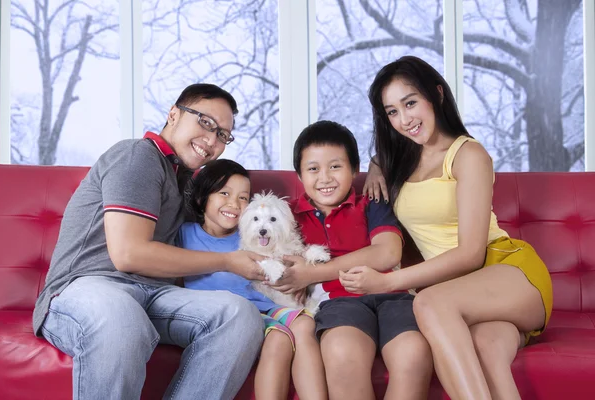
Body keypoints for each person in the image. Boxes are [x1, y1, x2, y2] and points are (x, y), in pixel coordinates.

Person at [33, 84, 266, 400]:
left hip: (154, 294)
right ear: (173, 114)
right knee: (119, 319)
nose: (212, 141)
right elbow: (129, 254)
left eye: (223, 135)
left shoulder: (183, 180)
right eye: (205, 123)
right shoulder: (137, 155)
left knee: (239, 315)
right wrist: (228, 261)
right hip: (86, 289)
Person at [342, 55, 553, 400]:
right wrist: (377, 164)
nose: (404, 119)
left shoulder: (469, 155)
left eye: (410, 103)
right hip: (463, 298)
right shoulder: (401, 161)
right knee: (485, 349)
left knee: (427, 303)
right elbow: (382, 160)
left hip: (506, 271)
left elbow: (471, 254)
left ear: (436, 94)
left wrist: (388, 281)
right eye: (392, 111)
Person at [268, 120, 433, 400]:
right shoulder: (287, 215)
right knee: (342, 352)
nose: (325, 178)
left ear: (355, 170)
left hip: (392, 296)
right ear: (299, 175)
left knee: (413, 353)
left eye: (335, 166)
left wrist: (313, 273)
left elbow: (387, 252)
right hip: (337, 304)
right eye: (313, 169)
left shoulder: (371, 203)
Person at [177, 158, 328, 400]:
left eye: (243, 198)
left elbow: (284, 260)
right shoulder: (184, 234)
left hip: (267, 305)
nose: (234, 204)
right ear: (201, 198)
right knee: (278, 338)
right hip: (231, 313)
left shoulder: (250, 235)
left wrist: (299, 281)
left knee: (304, 323)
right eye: (224, 193)